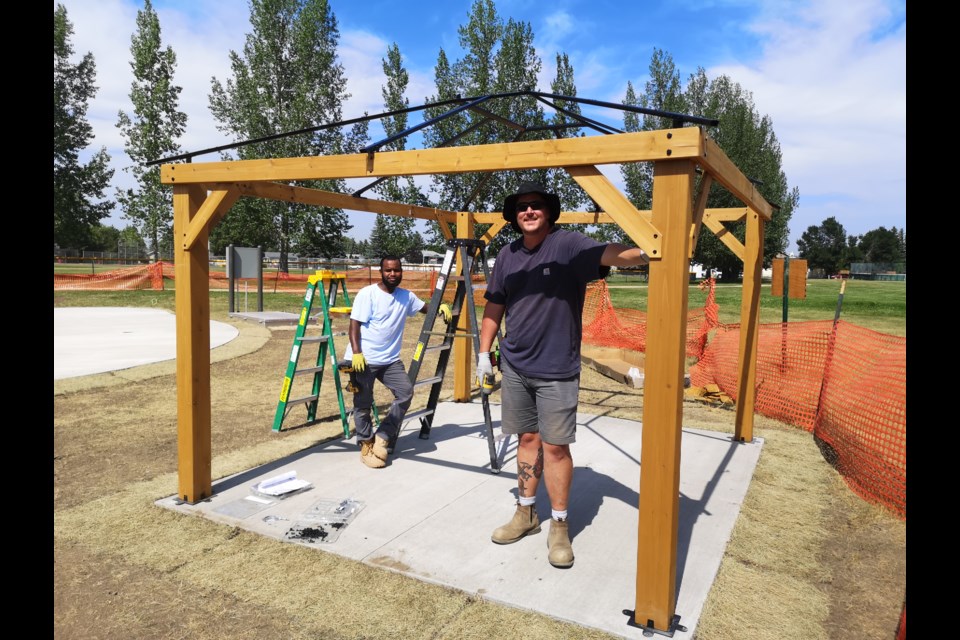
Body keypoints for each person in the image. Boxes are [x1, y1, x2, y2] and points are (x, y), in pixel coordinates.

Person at [477, 181, 648, 568]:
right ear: (514, 215)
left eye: (536, 205)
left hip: (556, 369)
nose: (529, 212)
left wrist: (646, 251)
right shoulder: (507, 254)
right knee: (527, 439)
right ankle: (526, 513)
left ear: (549, 211)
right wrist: (483, 352)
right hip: (516, 365)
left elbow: (613, 255)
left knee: (555, 447)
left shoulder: (568, 245)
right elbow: (495, 304)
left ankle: (559, 523)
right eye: (522, 207)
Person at [345, 256, 451, 469]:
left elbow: (424, 308)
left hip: (390, 360)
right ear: (381, 272)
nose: (392, 274)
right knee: (363, 403)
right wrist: (356, 353)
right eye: (388, 270)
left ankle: (383, 436)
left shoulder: (406, 296)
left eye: (396, 270)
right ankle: (366, 443)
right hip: (364, 359)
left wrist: (440, 307)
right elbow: (354, 324)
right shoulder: (368, 294)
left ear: (402, 271)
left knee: (405, 392)